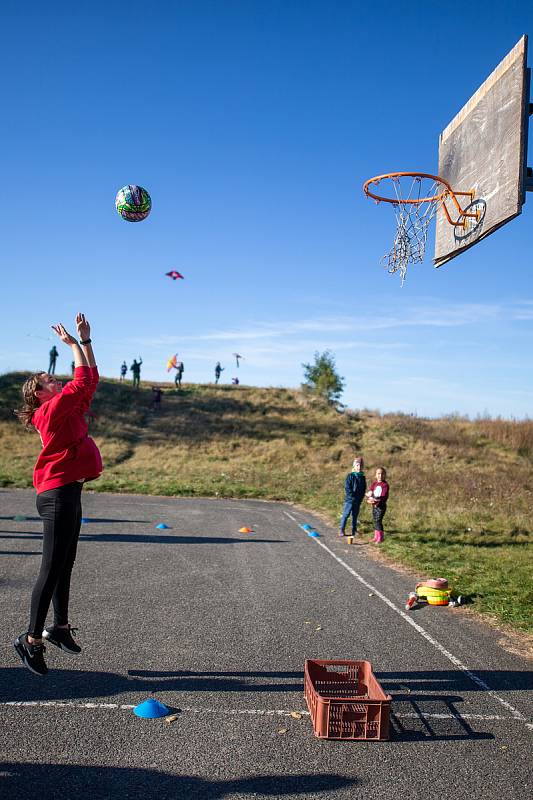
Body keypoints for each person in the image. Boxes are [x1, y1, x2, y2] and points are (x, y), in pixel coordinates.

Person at [13, 313, 102, 676]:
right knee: (51, 567)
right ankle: (31, 640)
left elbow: (89, 380)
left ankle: (59, 627)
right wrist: (73, 345)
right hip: (56, 495)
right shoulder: (49, 411)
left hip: (69, 491)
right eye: (51, 379)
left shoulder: (64, 409)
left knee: (65, 564)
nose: (57, 379)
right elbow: (81, 381)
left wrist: (86, 343)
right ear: (40, 393)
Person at [339, 456, 366, 537]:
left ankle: (354, 530)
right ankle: (341, 529)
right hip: (349, 500)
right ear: (354, 466)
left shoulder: (362, 477)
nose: (359, 467)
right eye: (357, 465)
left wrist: (360, 498)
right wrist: (351, 496)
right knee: (346, 514)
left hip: (357, 500)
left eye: (361, 465)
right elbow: (347, 487)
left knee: (355, 516)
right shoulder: (350, 476)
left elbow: (363, 489)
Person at [366, 467, 389, 543]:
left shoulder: (385, 485)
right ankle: (376, 537)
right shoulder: (374, 484)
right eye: (378, 474)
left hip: (381, 506)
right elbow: (371, 491)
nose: (380, 475)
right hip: (374, 505)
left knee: (378, 521)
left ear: (385, 475)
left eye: (382, 474)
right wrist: (369, 495)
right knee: (375, 520)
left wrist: (376, 500)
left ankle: (381, 538)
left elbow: (384, 495)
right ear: (376, 475)